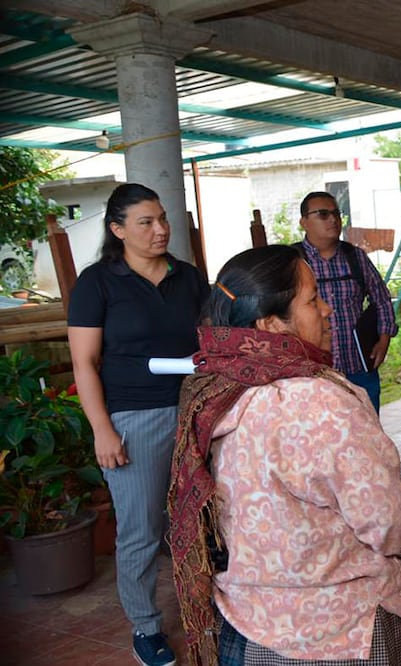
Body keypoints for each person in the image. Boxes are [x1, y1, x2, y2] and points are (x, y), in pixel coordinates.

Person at [168, 245, 401, 666]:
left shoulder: (214, 392)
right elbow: (386, 520)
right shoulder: (323, 402)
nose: (327, 310)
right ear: (272, 325)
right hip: (342, 633)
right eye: (312, 300)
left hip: (247, 626)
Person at [68, 183, 209, 666]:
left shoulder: (188, 277)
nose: (161, 229)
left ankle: (213, 605)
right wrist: (102, 429)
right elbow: (84, 363)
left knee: (204, 515)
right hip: (134, 416)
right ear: (118, 229)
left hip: (194, 409)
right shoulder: (98, 282)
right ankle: (146, 627)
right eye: (146, 222)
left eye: (163, 218)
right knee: (142, 528)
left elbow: (210, 341)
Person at [295, 191, 397, 412]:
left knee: (368, 437)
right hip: (313, 372)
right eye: (323, 214)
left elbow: (381, 299)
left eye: (336, 214)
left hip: (359, 367)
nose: (332, 219)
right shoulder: (293, 262)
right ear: (304, 222)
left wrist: (384, 339)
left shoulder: (356, 258)